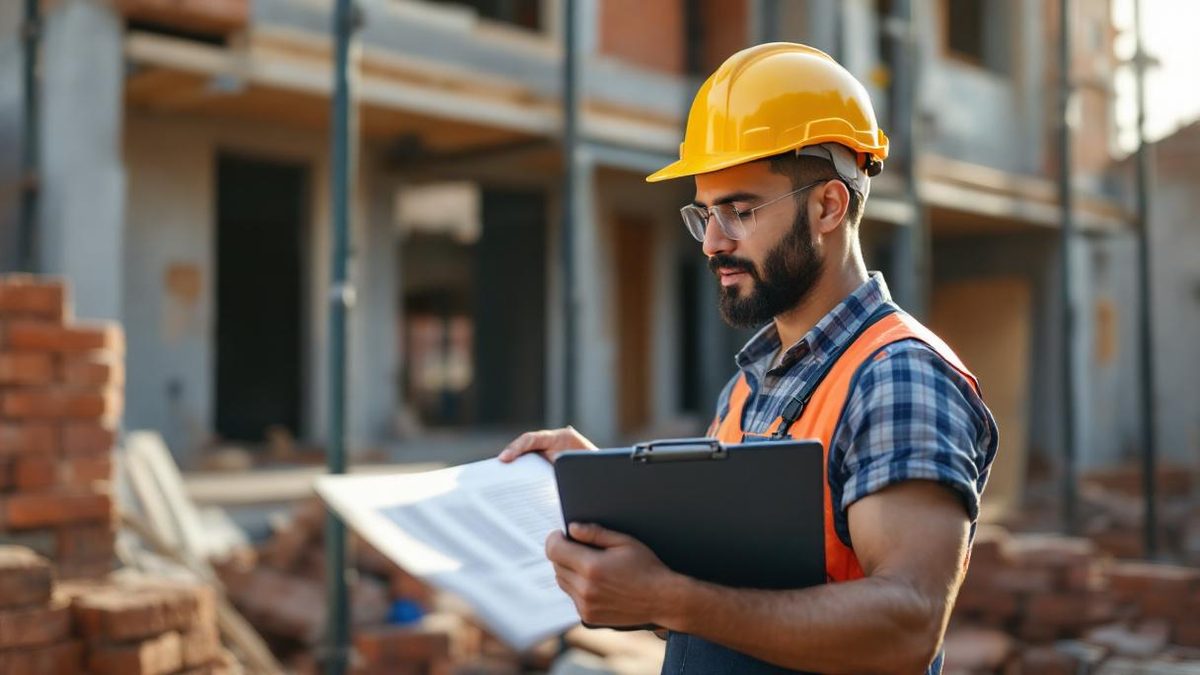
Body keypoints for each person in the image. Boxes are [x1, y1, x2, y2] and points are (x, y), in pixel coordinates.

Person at [498, 42, 997, 675]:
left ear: (828, 206)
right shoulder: (749, 386)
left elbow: (908, 624)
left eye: (739, 210)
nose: (712, 242)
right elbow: (728, 599)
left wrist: (668, 597)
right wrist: (608, 499)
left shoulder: (897, 374)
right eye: (704, 212)